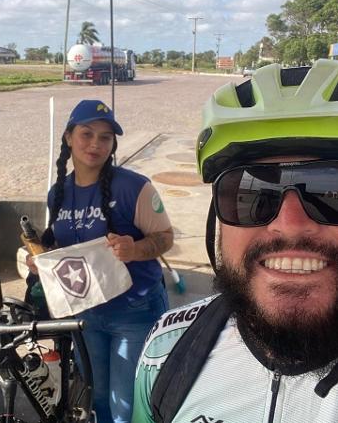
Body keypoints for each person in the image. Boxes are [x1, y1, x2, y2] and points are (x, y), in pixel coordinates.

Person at [132, 59, 338, 423]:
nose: (289, 227)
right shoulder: (166, 350)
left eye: (329, 191)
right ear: (217, 220)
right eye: (250, 193)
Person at [26, 99, 173, 423]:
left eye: (105, 137)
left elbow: (165, 237)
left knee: (128, 406)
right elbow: (64, 249)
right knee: (100, 398)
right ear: (68, 137)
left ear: (113, 144)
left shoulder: (134, 187)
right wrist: (42, 262)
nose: (95, 144)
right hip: (86, 312)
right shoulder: (58, 193)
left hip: (133, 311)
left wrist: (134, 249)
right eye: (87, 133)